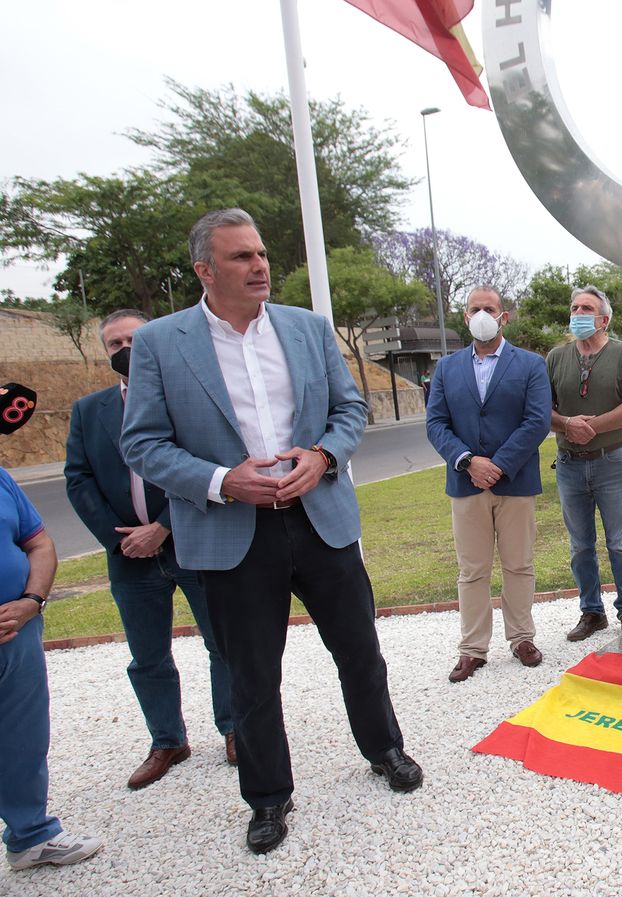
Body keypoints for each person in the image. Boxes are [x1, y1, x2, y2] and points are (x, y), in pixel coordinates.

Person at [121, 208, 421, 856]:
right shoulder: (161, 344)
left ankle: (384, 748)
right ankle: (267, 797)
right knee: (252, 677)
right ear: (205, 269)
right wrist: (223, 479)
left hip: (321, 522)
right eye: (240, 257)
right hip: (233, 535)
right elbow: (142, 442)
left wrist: (323, 457)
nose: (258, 265)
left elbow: (349, 410)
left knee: (360, 651)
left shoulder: (309, 330)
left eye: (260, 253)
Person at [65, 309, 236, 790]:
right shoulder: (89, 411)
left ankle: (234, 729)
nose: (126, 351)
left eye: (134, 340)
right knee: (147, 657)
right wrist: (120, 539)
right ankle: (167, 740)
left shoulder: (185, 399)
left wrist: (162, 526)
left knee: (222, 644)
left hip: (191, 543)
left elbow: (205, 466)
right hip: (129, 558)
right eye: (115, 345)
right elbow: (78, 480)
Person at [425, 286, 552, 682]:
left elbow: (537, 420)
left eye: (489, 308)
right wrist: (468, 462)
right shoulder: (446, 368)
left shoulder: (531, 364)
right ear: (465, 317)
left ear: (503, 316)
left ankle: (521, 638)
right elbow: (436, 423)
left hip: (514, 482)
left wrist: (497, 465)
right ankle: (473, 649)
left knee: (519, 564)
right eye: (475, 309)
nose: (482, 314)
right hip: (466, 485)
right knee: (472, 571)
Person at [1, 388, 103, 871]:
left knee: (23, 734)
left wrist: (31, 601)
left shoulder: (1, 479)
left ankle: (31, 837)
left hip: (17, 628)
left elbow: (39, 544)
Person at [548, 285, 622, 642]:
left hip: (612, 463)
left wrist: (592, 426)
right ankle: (592, 613)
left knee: (620, 543)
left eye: (586, 308)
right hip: (570, 465)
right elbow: (543, 409)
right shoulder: (557, 358)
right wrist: (567, 425)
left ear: (604, 319)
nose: (578, 314)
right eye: (574, 308)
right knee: (580, 546)